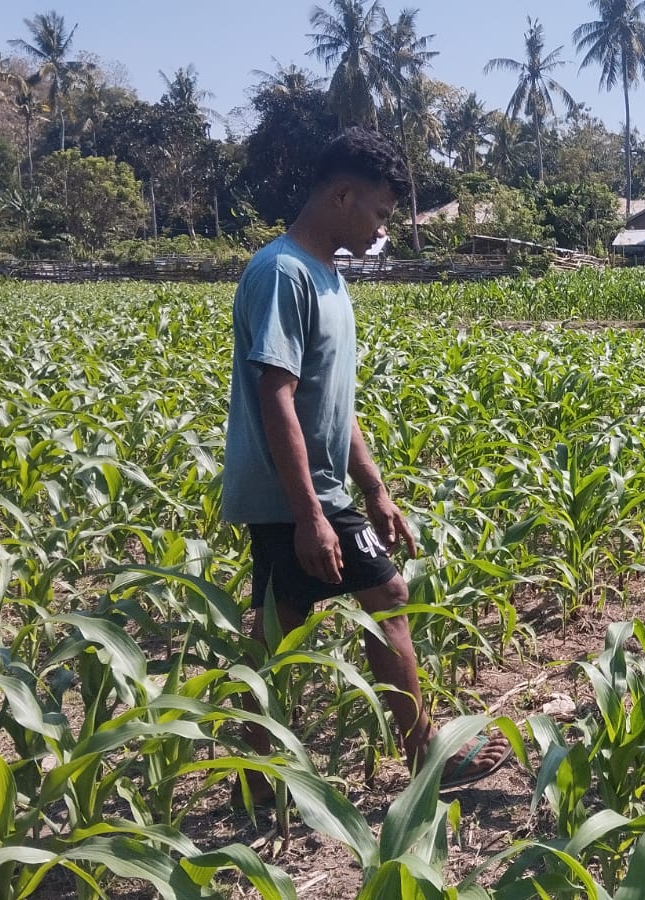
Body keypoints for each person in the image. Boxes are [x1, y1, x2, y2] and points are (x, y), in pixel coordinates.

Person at [222, 127, 510, 804]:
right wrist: (310, 515)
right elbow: (276, 396)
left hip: (314, 493)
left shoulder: (327, 278)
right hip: (296, 496)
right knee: (387, 597)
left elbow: (332, 402)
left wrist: (375, 490)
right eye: (379, 213)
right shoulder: (283, 273)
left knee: (277, 631)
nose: (383, 229)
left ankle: (254, 780)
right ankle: (426, 757)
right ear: (342, 195)